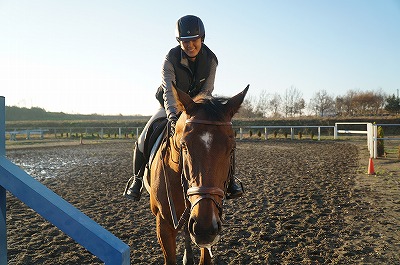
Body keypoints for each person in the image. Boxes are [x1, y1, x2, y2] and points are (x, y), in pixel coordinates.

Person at [123, 15, 243, 201]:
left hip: (198, 108)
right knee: (146, 133)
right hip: (171, 105)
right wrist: (172, 117)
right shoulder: (170, 59)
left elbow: (207, 90)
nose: (190, 45)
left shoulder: (211, 60)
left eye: (194, 40)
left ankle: (231, 181)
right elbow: (169, 92)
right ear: (179, 42)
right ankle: (137, 179)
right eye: (184, 41)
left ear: (201, 38)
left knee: (223, 137)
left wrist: (198, 112)